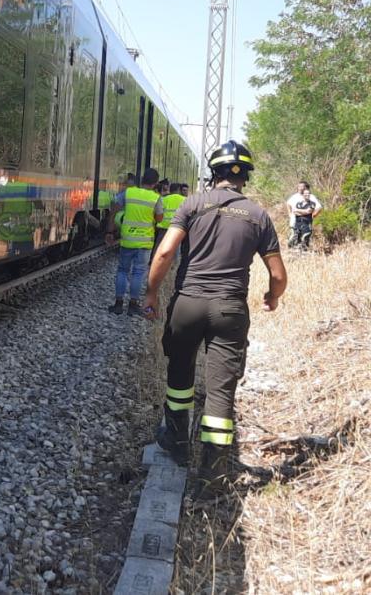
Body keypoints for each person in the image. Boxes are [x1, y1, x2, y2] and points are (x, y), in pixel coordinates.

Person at [142, 140, 287, 497]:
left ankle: (175, 442)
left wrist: (150, 294)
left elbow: (164, 253)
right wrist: (273, 296)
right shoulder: (258, 215)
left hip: (188, 304)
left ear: (214, 172)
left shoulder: (193, 204)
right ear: (246, 177)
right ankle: (212, 475)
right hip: (229, 309)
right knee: (221, 391)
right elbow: (279, 274)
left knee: (179, 375)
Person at [106, 167, 163, 316]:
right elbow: (159, 219)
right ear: (155, 183)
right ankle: (133, 305)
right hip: (144, 243)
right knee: (138, 273)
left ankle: (118, 304)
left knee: (122, 271)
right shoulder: (156, 198)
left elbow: (114, 208)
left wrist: (110, 231)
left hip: (128, 241)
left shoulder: (129, 192)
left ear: (142, 179)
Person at [153, 180, 187, 262]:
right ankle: (173, 266)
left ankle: (155, 262)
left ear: (170, 190)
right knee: (175, 248)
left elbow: (158, 212)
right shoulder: (185, 200)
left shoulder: (163, 199)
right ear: (179, 190)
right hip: (176, 228)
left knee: (159, 247)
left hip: (163, 228)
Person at [285, 181, 322, 251]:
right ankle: (293, 250)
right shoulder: (294, 196)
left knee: (305, 236)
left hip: (306, 221)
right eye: (299, 186)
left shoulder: (310, 197)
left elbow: (318, 207)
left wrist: (313, 215)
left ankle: (304, 251)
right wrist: (290, 213)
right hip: (294, 220)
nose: (300, 188)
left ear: (305, 187)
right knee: (294, 235)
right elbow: (288, 204)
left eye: (302, 186)